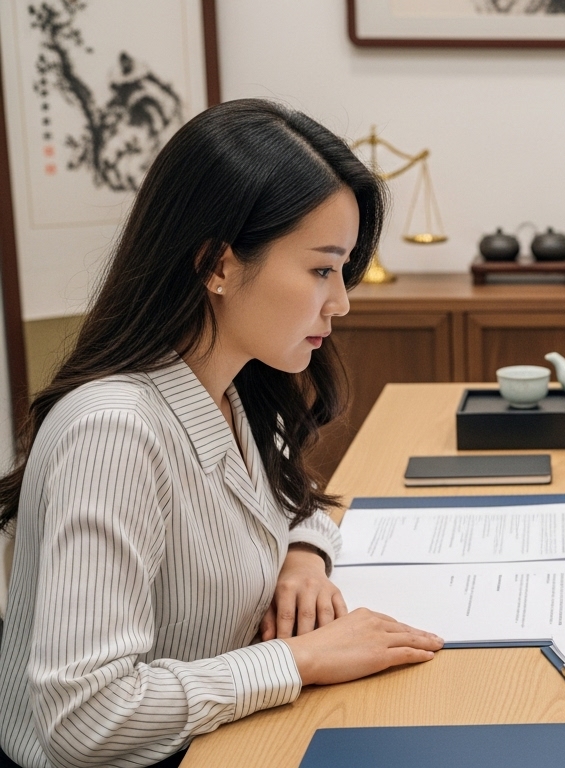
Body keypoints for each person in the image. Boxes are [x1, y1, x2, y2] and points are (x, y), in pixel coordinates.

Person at [0, 99, 444, 768]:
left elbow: (301, 502)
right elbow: (84, 718)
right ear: (219, 264)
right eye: (323, 269)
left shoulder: (234, 391)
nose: (342, 301)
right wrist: (298, 658)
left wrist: (302, 559)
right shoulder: (116, 434)